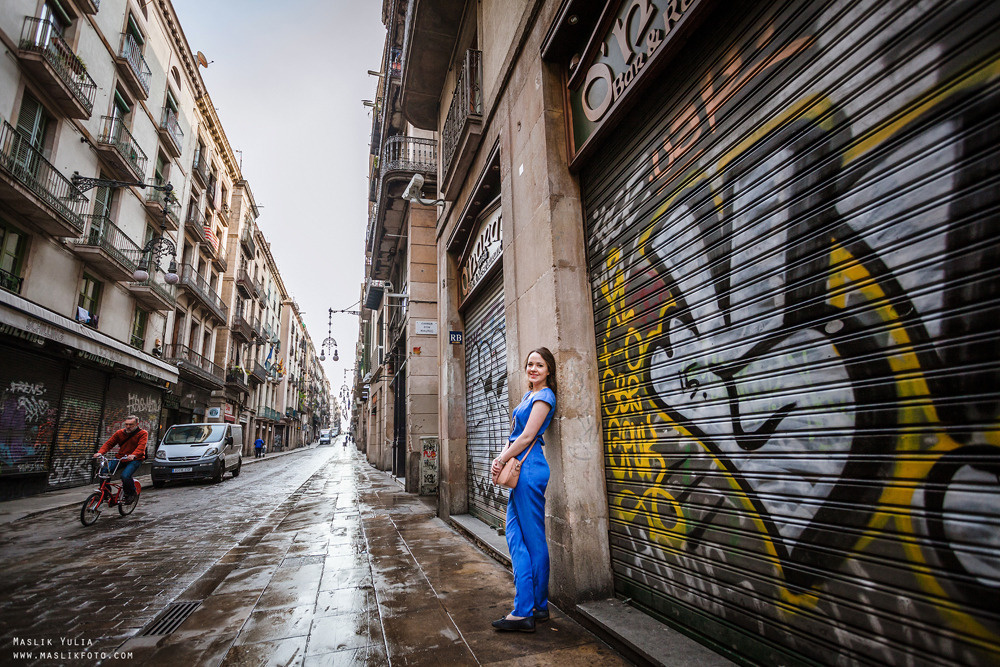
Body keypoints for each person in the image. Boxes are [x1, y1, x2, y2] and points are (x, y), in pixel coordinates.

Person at [490, 347, 557, 633]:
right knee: (516, 536)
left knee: (531, 540)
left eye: (539, 365)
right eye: (530, 364)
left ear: (548, 370)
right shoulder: (528, 396)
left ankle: (526, 610)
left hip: (529, 470)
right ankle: (536, 607)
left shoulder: (544, 396)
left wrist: (502, 459)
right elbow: (515, 434)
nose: (533, 369)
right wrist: (499, 458)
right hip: (521, 467)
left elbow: (528, 436)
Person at [94, 415, 147, 500]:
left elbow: (141, 446)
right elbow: (109, 444)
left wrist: (134, 455)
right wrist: (100, 453)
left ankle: (130, 494)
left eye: (131, 425)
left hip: (135, 459)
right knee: (104, 472)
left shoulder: (142, 433)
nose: (128, 426)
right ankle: (105, 493)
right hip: (121, 458)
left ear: (137, 424)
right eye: (126, 424)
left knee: (125, 476)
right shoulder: (119, 433)